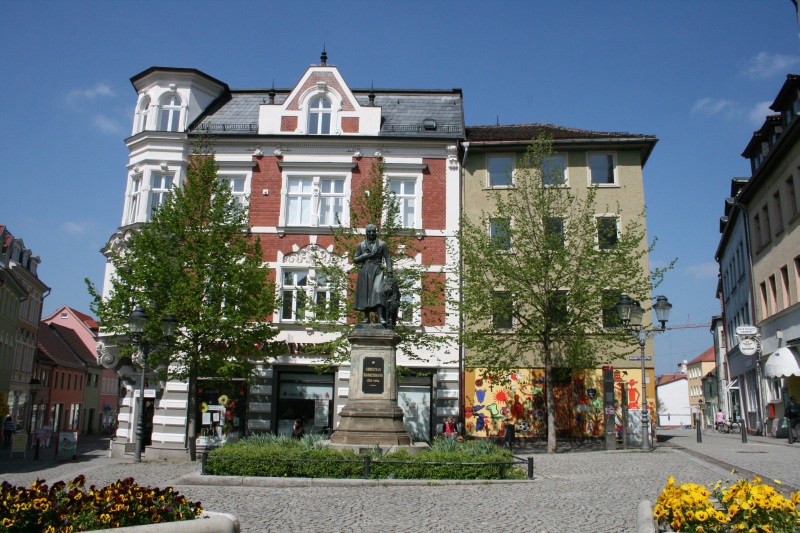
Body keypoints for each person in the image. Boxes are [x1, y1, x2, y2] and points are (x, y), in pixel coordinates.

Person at [353, 224, 393, 326]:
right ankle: (366, 318)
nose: (371, 233)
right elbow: (355, 259)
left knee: (378, 291)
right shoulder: (361, 245)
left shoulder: (382, 244)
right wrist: (363, 256)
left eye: (373, 231)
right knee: (365, 294)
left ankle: (381, 317)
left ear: (376, 232)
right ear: (366, 232)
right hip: (365, 271)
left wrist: (389, 271)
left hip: (377, 270)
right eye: (369, 231)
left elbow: (388, 258)